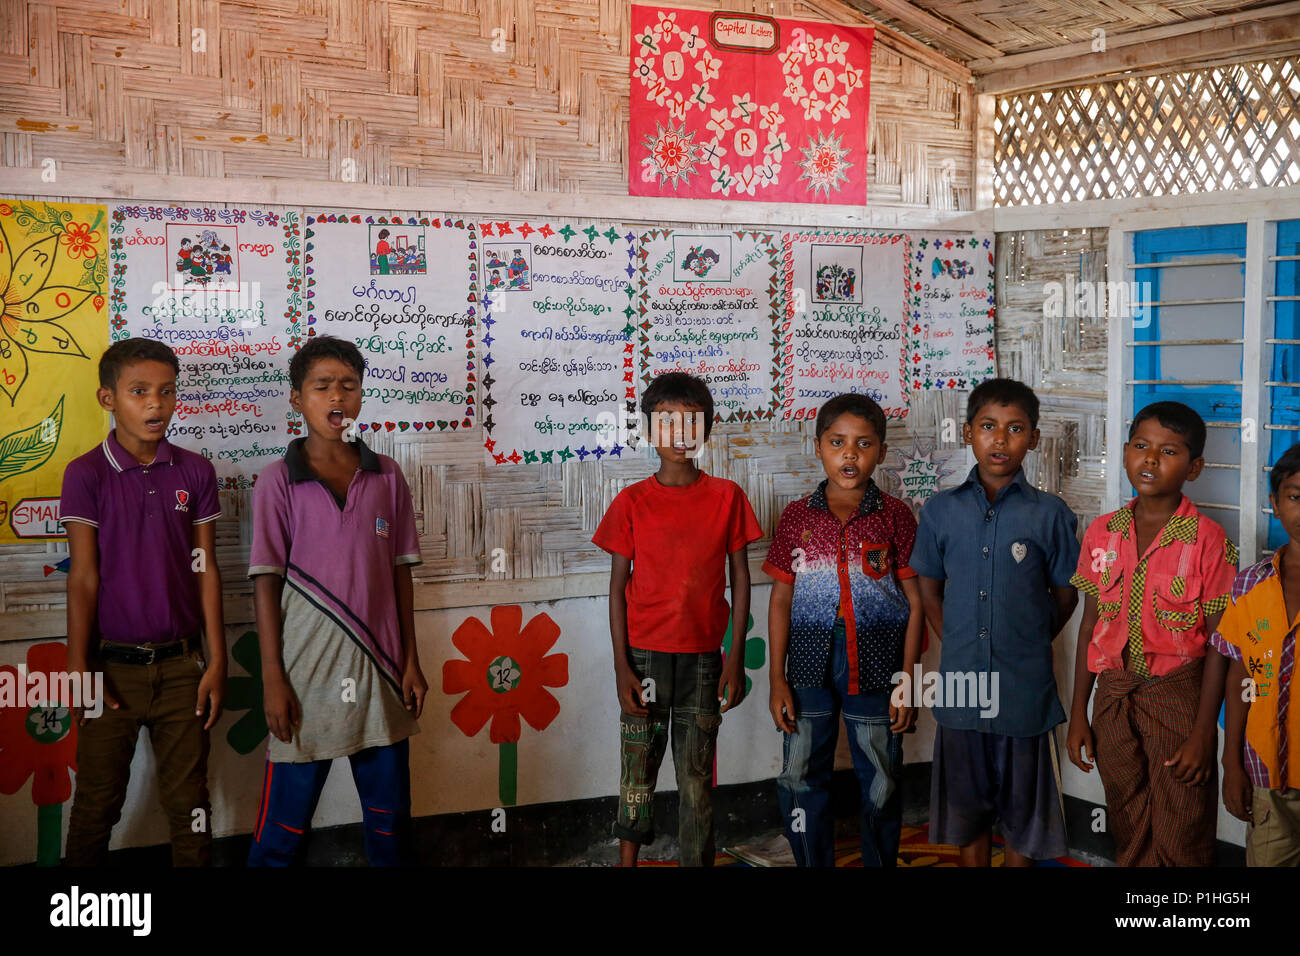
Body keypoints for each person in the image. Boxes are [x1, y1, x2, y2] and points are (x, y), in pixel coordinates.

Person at [245, 335, 427, 866]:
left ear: (362, 395)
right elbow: (265, 583)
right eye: (322, 386)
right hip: (305, 677)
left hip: (381, 673)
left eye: (349, 385)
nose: (337, 398)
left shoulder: (386, 475)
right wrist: (273, 678)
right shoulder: (278, 481)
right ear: (298, 398)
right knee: (281, 834)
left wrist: (411, 662)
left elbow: (400, 574)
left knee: (390, 827)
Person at [61, 337, 225, 866]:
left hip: (183, 667)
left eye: (166, 392)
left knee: (190, 807)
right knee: (94, 806)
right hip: (111, 671)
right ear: (107, 399)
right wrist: (76, 664)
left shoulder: (195, 472)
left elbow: (206, 569)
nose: (156, 404)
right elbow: (84, 577)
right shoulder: (86, 474)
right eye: (139, 392)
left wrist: (216, 659)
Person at [592, 371, 762, 866]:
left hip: (705, 663)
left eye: (691, 421)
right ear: (649, 431)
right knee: (637, 772)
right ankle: (628, 862)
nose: (679, 433)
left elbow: (741, 580)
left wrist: (733, 660)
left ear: (706, 431)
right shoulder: (632, 502)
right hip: (644, 659)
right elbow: (617, 588)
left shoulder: (727, 497)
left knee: (695, 779)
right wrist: (622, 666)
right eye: (666, 421)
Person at [911, 378, 1079, 866]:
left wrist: (1027, 638)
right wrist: (957, 640)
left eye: (1014, 429)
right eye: (988, 427)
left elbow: (1065, 595)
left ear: (1034, 438)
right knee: (967, 807)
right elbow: (929, 589)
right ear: (968, 434)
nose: (1000, 439)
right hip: (962, 683)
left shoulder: (1050, 514)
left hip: (1024, 686)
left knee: (1025, 811)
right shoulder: (941, 511)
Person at [1067, 400, 1238, 866]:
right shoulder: (1102, 533)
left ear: (1195, 467)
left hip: (1180, 700)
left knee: (1183, 821)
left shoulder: (1208, 539)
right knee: (1127, 816)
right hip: (1113, 698)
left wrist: (1206, 732)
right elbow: (1089, 626)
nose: (1150, 459)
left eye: (1168, 451)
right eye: (1141, 446)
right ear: (1124, 452)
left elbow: (1222, 647)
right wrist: (1079, 713)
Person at [764, 393, 923, 866]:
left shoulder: (895, 516)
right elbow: (780, 599)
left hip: (877, 667)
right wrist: (777, 679)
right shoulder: (797, 517)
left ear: (881, 450)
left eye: (863, 443)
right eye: (837, 442)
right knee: (799, 775)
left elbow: (915, 602)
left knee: (881, 775)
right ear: (819, 447)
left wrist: (908, 683)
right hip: (808, 666)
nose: (849, 454)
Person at [1213, 442, 1300, 865]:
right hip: (1268, 776)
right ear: (1276, 503)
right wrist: (1232, 764)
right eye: (1296, 496)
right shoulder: (1250, 585)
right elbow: (1238, 679)